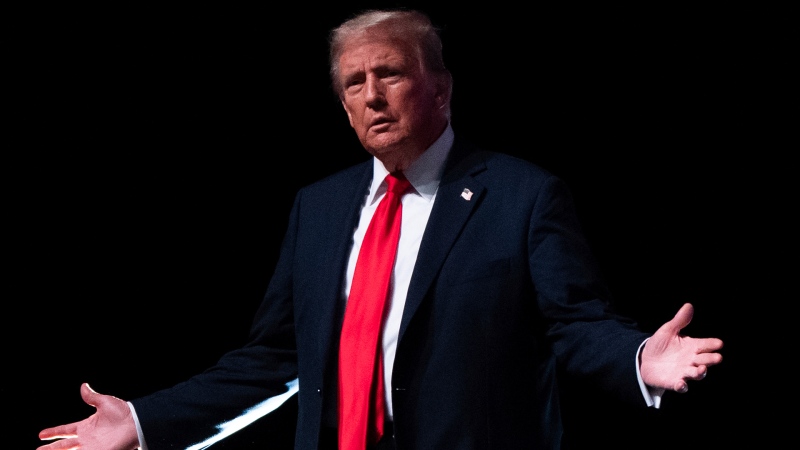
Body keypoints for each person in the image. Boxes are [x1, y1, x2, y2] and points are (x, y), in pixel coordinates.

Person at [38, 8, 723, 450]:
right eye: (353, 82)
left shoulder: (522, 196)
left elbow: (575, 325)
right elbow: (277, 358)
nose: (370, 94)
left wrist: (640, 359)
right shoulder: (320, 208)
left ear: (441, 88)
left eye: (389, 73)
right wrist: (144, 421)